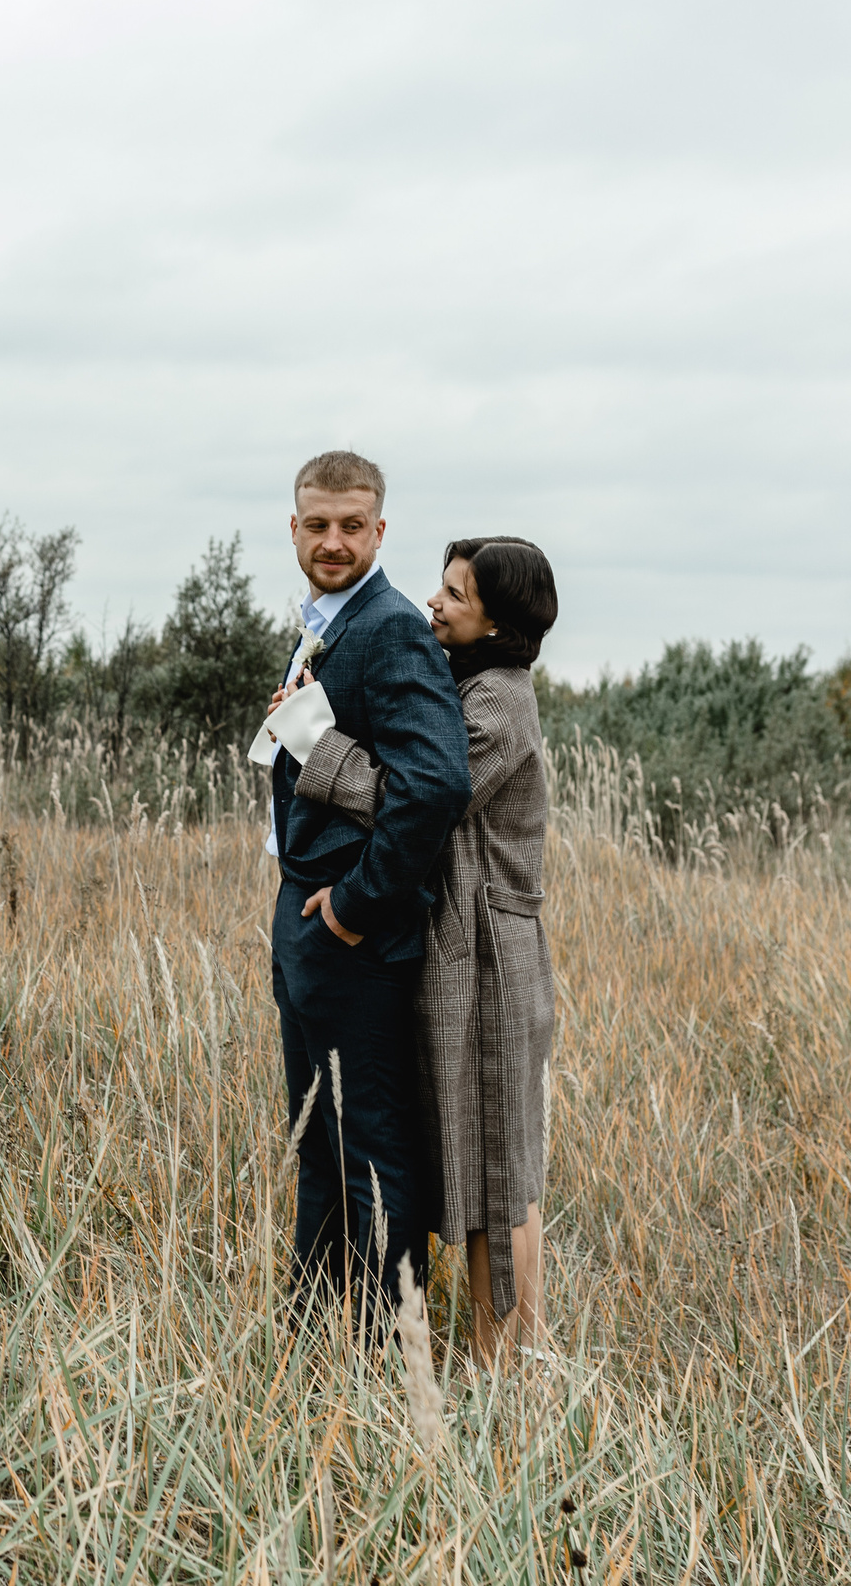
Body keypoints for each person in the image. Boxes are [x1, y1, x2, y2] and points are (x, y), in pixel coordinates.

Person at [293, 535, 561, 1366]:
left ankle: (505, 1365)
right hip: (468, 951)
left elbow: (421, 796)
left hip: (491, 960)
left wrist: (318, 745)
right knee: (483, 1164)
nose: (434, 604)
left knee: (499, 1173)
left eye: (456, 595)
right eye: (441, 587)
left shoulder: (499, 704)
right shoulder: (469, 684)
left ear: (498, 622)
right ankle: (501, 1355)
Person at [262, 451, 471, 1323]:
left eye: (352, 526)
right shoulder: (326, 621)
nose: (334, 541)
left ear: (380, 530)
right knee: (319, 1141)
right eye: (318, 525)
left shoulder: (389, 627)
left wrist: (353, 905)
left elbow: (437, 784)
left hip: (354, 933)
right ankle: (316, 1337)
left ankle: (392, 1352)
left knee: (371, 1153)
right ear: (295, 528)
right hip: (306, 927)